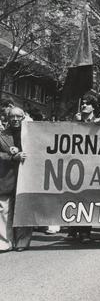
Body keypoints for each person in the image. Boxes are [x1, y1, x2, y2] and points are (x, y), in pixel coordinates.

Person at [68, 92, 100, 244]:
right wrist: (75, 123)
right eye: (83, 103)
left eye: (87, 103)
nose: (83, 105)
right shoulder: (76, 120)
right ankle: (73, 228)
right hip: (76, 164)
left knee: (87, 198)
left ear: (93, 107)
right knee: (74, 196)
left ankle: (85, 231)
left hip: (92, 166)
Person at [0, 107, 31, 252]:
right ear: (7, 118)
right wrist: (13, 157)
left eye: (19, 116)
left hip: (27, 178)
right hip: (7, 177)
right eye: (12, 116)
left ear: (24, 117)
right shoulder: (2, 135)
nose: (15, 119)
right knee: (4, 210)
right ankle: (5, 242)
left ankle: (22, 242)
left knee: (24, 209)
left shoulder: (32, 134)